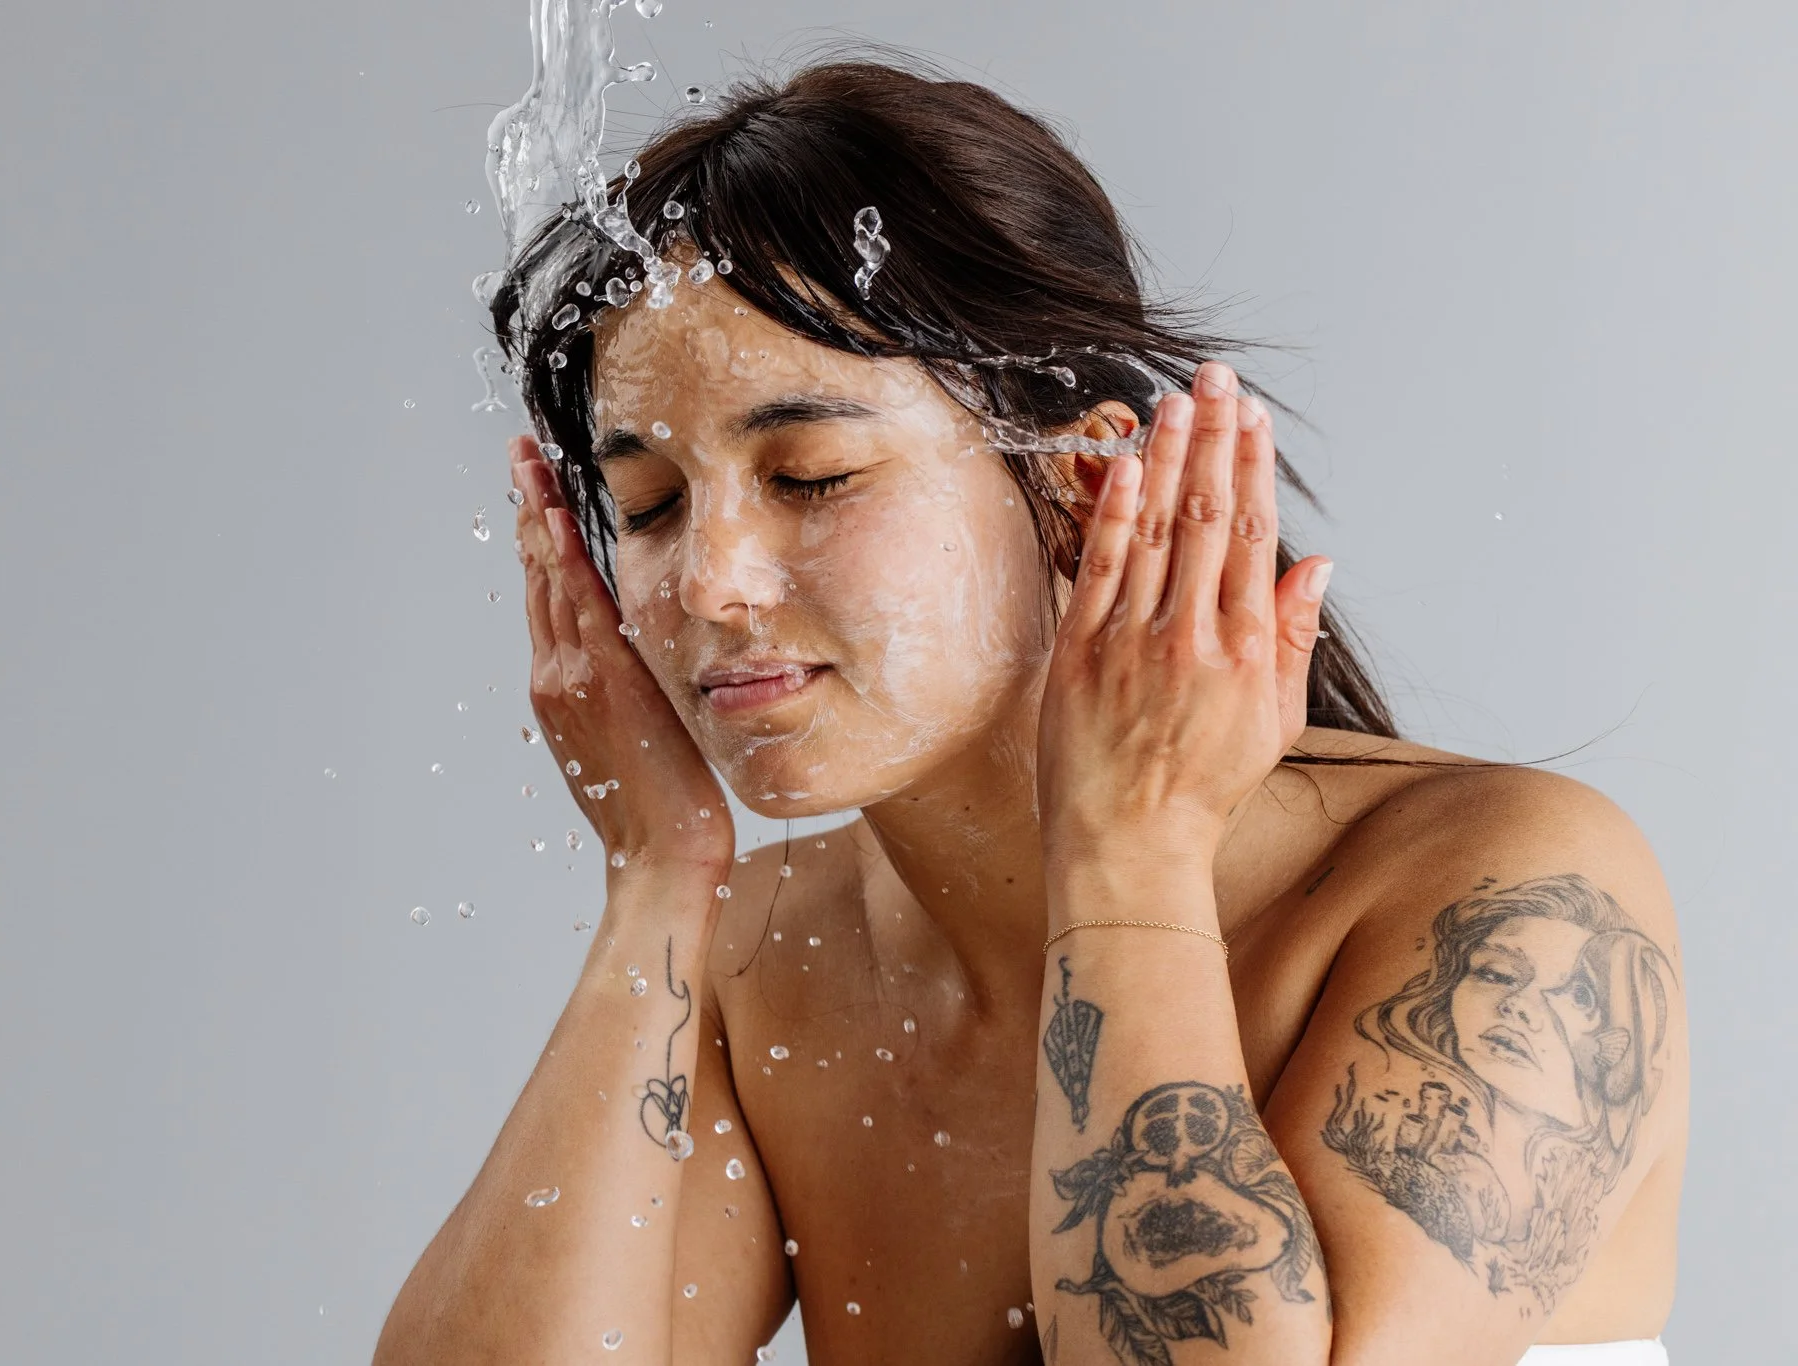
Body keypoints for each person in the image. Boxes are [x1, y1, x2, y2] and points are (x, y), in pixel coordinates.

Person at [376, 51, 1687, 1366]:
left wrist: (1129, 858)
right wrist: (656, 878)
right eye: (652, 504)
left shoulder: (1517, 900)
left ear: (1074, 479)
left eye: (812, 475)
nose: (707, 582)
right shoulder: (771, 973)